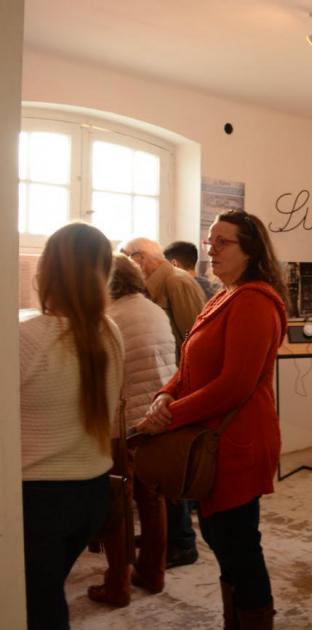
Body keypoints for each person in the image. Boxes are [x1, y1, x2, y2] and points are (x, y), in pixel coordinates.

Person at [137, 210, 287, 630]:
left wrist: (169, 417)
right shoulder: (225, 295)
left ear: (250, 250)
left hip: (238, 442)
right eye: (210, 240)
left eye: (223, 242)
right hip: (213, 438)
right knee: (222, 541)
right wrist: (165, 395)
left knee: (239, 545)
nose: (211, 249)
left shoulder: (255, 301)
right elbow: (190, 364)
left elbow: (234, 386)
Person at [20, 222, 124, 629]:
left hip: (39, 497)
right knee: (44, 595)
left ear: (46, 270)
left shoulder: (26, 338)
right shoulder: (109, 332)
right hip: (91, 489)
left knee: (36, 604)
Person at [86, 254, 177, 607]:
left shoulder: (109, 318)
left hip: (122, 424)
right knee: (152, 499)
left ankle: (117, 583)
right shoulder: (154, 310)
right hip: (157, 418)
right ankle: (153, 572)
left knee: (117, 504)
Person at [119, 236, 207, 569]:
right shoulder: (156, 285)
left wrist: (185, 390)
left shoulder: (176, 281)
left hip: (176, 385)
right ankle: (168, 535)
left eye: (129, 256)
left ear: (140, 257)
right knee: (156, 469)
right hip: (164, 386)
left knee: (168, 467)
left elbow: (195, 339)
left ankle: (181, 541)